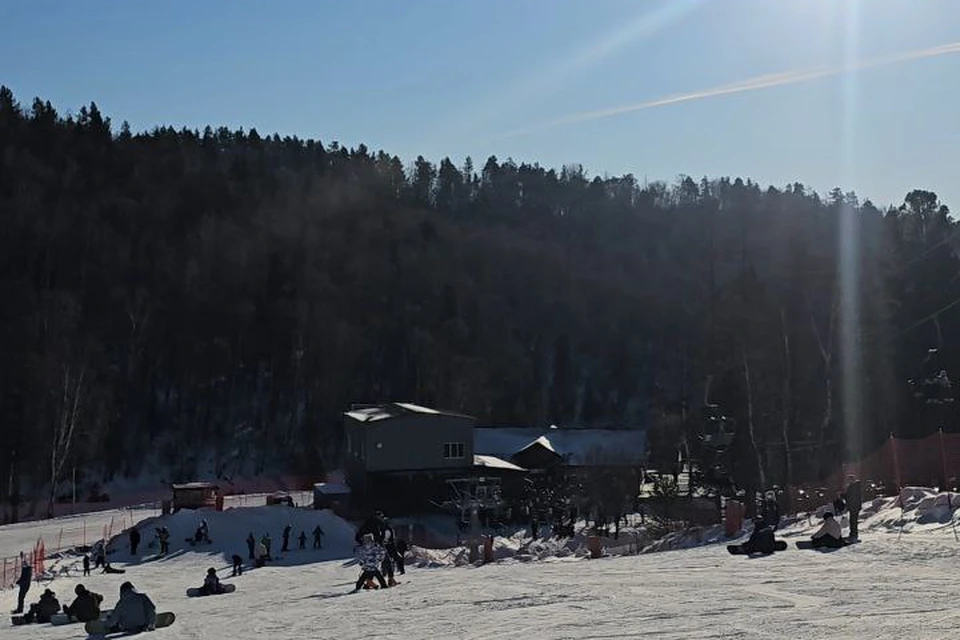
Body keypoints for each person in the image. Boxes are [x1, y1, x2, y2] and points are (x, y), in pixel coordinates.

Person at [844, 475, 863, 540]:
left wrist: (843, 496)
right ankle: (853, 534)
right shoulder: (854, 486)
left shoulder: (853, 487)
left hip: (854, 506)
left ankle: (853, 534)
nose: (849, 481)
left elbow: (851, 497)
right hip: (854, 506)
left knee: (853, 521)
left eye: (850, 480)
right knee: (853, 521)